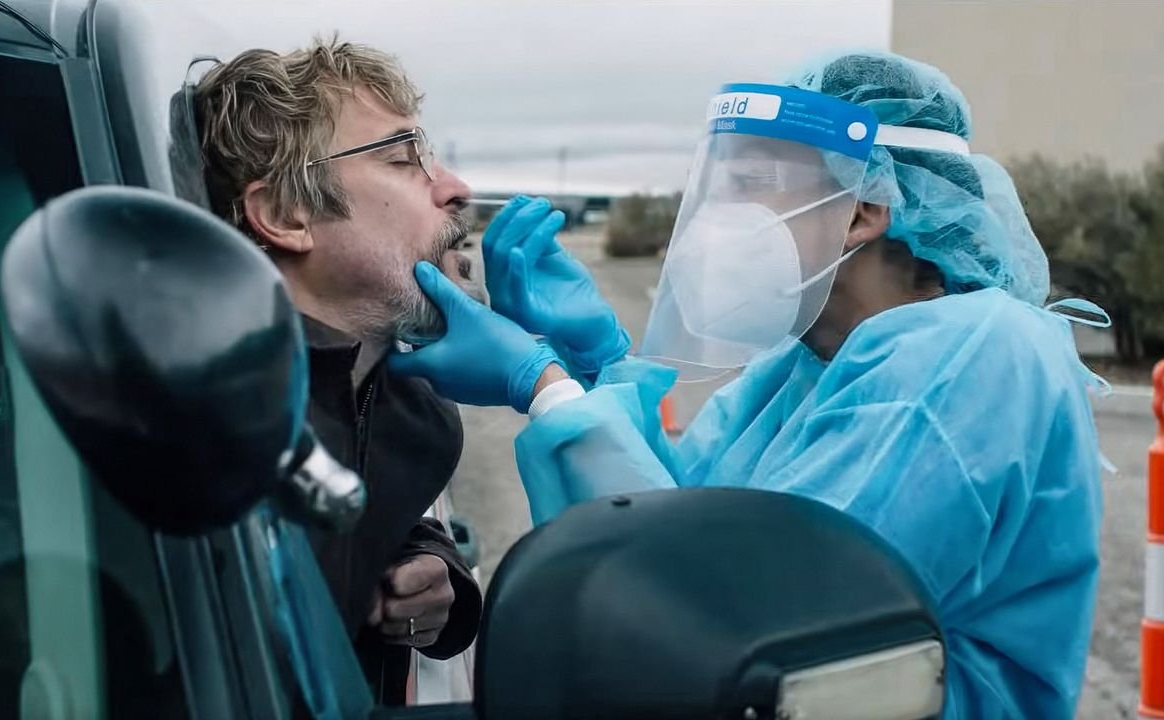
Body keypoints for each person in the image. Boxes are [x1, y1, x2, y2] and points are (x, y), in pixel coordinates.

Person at [390, 50, 1105, 717]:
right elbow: (682, 513)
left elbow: (745, 618)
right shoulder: (808, 361)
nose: (717, 218)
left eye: (754, 186)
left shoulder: (965, 360)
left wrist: (542, 384)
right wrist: (594, 361)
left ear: (863, 209)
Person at [192, 38, 483, 704]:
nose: (455, 188)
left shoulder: (410, 402)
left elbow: (365, 502)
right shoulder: (211, 430)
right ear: (286, 215)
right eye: (403, 157)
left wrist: (434, 564)